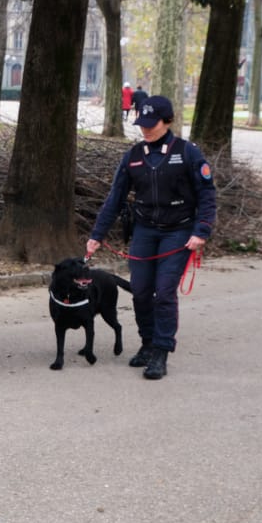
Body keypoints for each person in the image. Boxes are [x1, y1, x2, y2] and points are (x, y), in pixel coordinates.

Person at [85, 95, 216, 380]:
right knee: (141, 290)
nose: (145, 129)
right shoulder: (134, 156)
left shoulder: (188, 152)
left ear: (168, 121)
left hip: (179, 230)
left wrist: (201, 230)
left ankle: (161, 350)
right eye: (141, 123)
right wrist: (97, 235)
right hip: (145, 229)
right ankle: (146, 343)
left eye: (151, 123)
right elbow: (115, 197)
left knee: (164, 291)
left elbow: (207, 194)